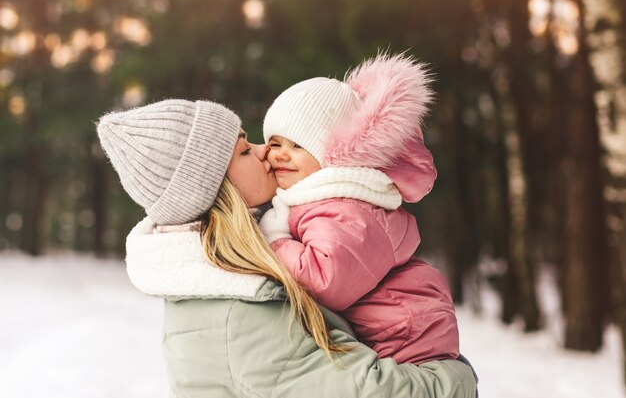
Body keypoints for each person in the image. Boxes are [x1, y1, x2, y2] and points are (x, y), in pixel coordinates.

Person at [96, 98, 477, 397]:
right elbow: (369, 392)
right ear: (215, 190)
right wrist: (454, 376)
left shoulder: (233, 279)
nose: (265, 151)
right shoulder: (238, 311)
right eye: (245, 151)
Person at [259, 53, 459, 365]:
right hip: (389, 337)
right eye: (274, 143)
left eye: (298, 146)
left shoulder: (346, 206)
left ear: (332, 154)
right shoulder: (319, 198)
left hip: (407, 343)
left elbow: (327, 281)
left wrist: (276, 240)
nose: (281, 155)